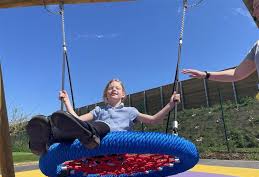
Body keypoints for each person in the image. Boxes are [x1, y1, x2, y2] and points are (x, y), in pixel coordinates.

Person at [26, 79, 180, 155]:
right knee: (74, 128)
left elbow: (153, 120)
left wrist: (170, 105)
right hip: (95, 146)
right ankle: (46, 139)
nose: (114, 89)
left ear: (123, 94)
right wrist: (66, 101)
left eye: (117, 88)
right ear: (106, 93)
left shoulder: (130, 111)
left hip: (117, 145)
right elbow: (76, 120)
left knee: (102, 126)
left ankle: (89, 136)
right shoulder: (99, 110)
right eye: (111, 88)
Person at [182, 0, 259, 82]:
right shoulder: (257, 46)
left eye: (257, 6)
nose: (253, 14)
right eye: (253, 8)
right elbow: (236, 74)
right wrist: (205, 74)